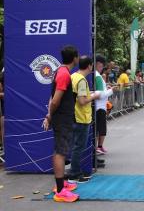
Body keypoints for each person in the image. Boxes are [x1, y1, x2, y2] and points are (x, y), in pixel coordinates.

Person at [42, 45, 80, 203]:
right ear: (75, 58)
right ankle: (60, 191)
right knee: (60, 152)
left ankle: (62, 183)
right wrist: (49, 117)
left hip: (62, 118)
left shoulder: (61, 71)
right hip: (62, 119)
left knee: (62, 150)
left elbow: (52, 97)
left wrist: (50, 115)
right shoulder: (64, 74)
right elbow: (56, 100)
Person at [68, 56, 100, 183]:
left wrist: (89, 93)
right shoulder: (81, 80)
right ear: (89, 66)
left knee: (76, 146)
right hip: (81, 117)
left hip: (74, 115)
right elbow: (82, 101)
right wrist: (94, 96)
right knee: (78, 147)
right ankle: (74, 174)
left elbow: (78, 95)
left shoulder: (73, 76)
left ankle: (74, 172)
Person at [95, 55, 115, 157]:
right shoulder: (97, 76)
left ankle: (99, 146)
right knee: (101, 128)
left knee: (100, 128)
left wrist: (106, 88)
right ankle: (98, 147)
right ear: (99, 64)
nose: (103, 68)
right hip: (100, 107)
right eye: (102, 66)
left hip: (99, 106)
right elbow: (100, 94)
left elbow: (100, 91)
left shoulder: (97, 75)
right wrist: (111, 90)